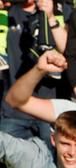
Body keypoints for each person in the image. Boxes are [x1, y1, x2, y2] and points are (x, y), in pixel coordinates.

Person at [0, 0, 68, 140]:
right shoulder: (6, 14)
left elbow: (67, 49)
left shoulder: (58, 11)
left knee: (50, 152)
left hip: (47, 107)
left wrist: (50, 16)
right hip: (13, 109)